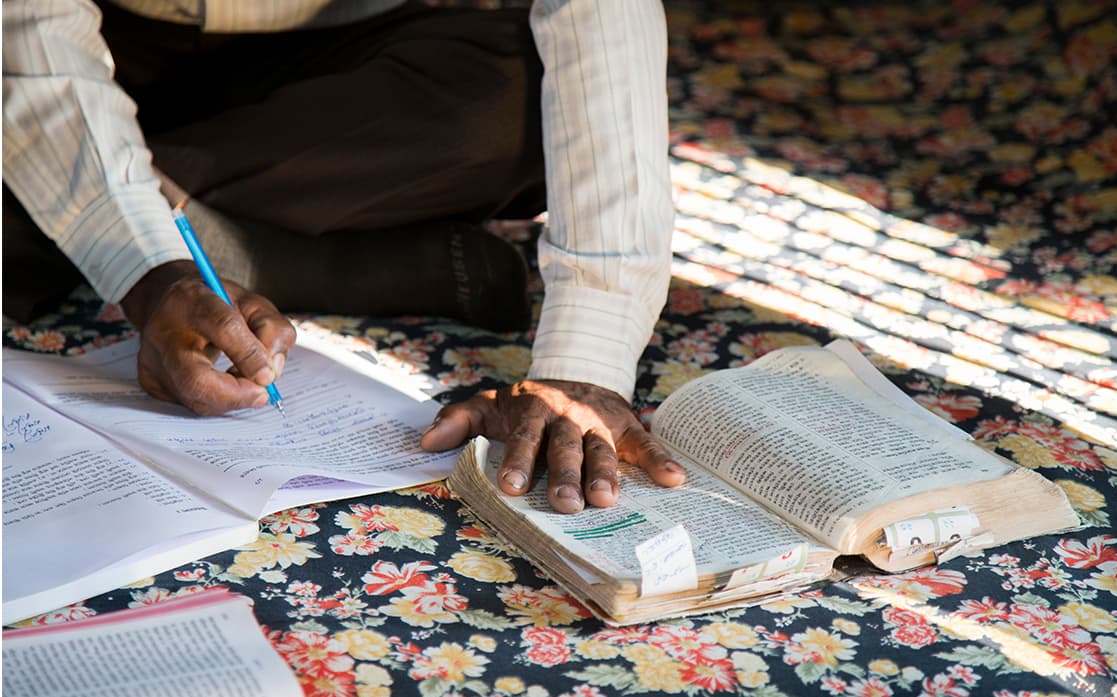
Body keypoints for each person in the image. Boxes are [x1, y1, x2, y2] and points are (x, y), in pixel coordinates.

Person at [2, 0, 686, 514]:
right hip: (88, 39)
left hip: (338, 62)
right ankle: (295, 259)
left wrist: (584, 360)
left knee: (514, 101)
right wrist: (150, 272)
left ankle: (134, 213)